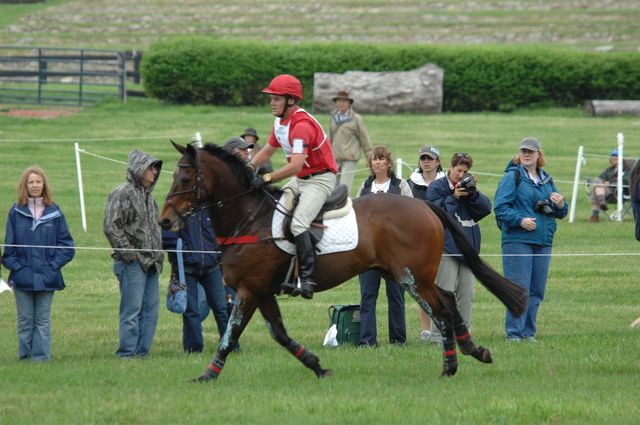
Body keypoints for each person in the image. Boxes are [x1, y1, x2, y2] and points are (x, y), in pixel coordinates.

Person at [249, 74, 338, 300]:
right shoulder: (280, 122)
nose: (272, 102)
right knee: (274, 213)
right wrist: (248, 168)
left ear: (290, 100)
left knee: (298, 224)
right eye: (271, 98)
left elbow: (296, 164)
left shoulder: (302, 126)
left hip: (320, 179)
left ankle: (308, 279)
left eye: (276, 98)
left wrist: (268, 178)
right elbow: (268, 150)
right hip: (301, 178)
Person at [494, 137, 568, 342]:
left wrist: (561, 204)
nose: (526, 154)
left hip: (543, 241)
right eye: (523, 151)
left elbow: (561, 212)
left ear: (539, 155)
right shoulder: (513, 177)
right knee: (519, 289)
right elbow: (500, 208)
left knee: (536, 290)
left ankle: (528, 333)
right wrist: (520, 220)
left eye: (531, 152)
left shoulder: (546, 179)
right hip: (518, 240)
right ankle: (514, 334)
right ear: (519, 154)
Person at [2, 166, 75, 361]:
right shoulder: (16, 212)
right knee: (25, 320)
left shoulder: (55, 212)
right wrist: (19, 268)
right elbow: (8, 251)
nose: (35, 185)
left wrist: (52, 266)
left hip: (47, 276)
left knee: (42, 320)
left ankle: (41, 359)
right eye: (31, 182)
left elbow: (67, 246)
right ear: (25, 186)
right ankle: (25, 358)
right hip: (22, 277)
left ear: (44, 185)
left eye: (38, 182)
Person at [426, 152, 492, 344]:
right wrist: (454, 197)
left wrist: (473, 193)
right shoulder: (436, 188)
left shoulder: (467, 188)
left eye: (465, 172)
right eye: (458, 170)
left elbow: (485, 209)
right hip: (446, 248)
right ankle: (439, 336)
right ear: (450, 168)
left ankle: (463, 334)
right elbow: (438, 216)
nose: (461, 175)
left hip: (468, 249)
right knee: (444, 293)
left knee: (467, 295)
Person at [104, 150, 164, 358]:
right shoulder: (122, 193)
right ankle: (126, 354)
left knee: (151, 312)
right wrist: (131, 255)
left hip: (153, 264)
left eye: (156, 168)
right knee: (131, 312)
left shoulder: (150, 198)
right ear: (138, 169)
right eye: (150, 167)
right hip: (132, 264)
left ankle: (142, 353)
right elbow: (111, 227)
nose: (154, 172)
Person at [356, 146, 413, 347]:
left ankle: (398, 340)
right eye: (374, 160)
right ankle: (367, 341)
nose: (377, 162)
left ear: (388, 163)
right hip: (368, 253)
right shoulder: (364, 186)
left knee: (396, 296)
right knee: (367, 296)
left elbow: (411, 215)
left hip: (395, 253)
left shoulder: (401, 185)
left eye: (381, 159)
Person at [162, 209, 230, 353]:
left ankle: (229, 346)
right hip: (187, 269)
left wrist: (218, 260)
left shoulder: (211, 210)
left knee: (221, 308)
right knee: (191, 311)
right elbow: (166, 236)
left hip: (212, 267)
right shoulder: (177, 210)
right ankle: (194, 349)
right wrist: (185, 251)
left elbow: (222, 236)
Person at [407, 144, 446, 341]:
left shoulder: (446, 183)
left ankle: (443, 325)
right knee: (423, 285)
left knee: (444, 284)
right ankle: (425, 329)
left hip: (442, 237)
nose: (426, 162)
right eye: (423, 158)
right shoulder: (411, 183)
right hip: (418, 240)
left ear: (438, 162)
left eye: (430, 158)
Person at [329, 90, 373, 195]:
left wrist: (370, 157)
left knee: (344, 188)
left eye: (344, 101)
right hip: (335, 158)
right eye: (339, 101)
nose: (341, 104)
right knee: (333, 188)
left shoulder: (356, 118)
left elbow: (364, 139)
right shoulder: (333, 117)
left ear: (349, 103)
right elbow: (331, 138)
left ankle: (346, 210)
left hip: (349, 159)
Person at [588, 148, 635, 222]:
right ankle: (601, 202)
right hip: (608, 193)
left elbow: (627, 181)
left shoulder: (628, 169)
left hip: (621, 193)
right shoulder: (610, 170)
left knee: (596, 190)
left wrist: (610, 183)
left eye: (616, 156)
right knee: (597, 183)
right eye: (612, 156)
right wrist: (600, 182)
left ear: (622, 158)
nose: (614, 157)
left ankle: (595, 215)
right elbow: (601, 178)